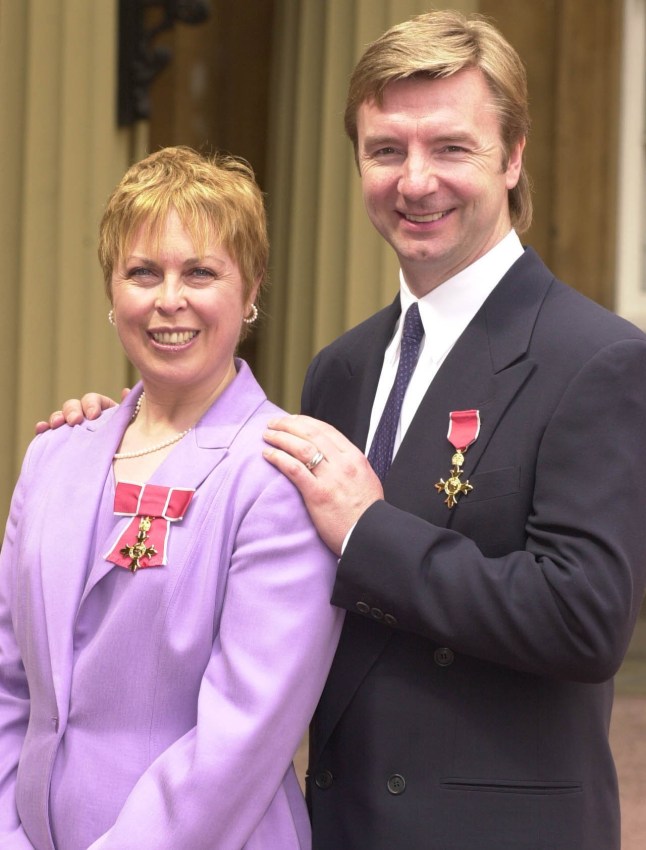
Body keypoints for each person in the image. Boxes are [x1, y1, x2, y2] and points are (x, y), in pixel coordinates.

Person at [43, 10, 646, 850]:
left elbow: (585, 620)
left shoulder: (598, 358)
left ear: (512, 156)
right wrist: (126, 438)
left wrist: (370, 533)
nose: (415, 181)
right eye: (386, 150)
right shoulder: (343, 367)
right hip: (342, 822)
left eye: (450, 147)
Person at [1, 145, 343, 850]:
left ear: (251, 291)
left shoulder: (279, 477)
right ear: (111, 290)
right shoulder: (53, 457)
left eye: (201, 272)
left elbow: (240, 738)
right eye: (142, 272)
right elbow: (10, 682)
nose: (168, 300)